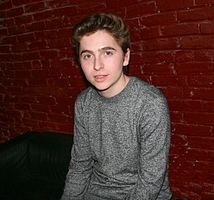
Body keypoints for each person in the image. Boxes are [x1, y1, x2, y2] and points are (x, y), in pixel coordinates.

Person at [61, 13, 172, 200]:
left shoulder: (150, 104)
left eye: (108, 53)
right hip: (96, 193)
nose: (97, 65)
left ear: (126, 57)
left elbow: (150, 181)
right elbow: (80, 166)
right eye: (88, 56)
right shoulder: (84, 103)